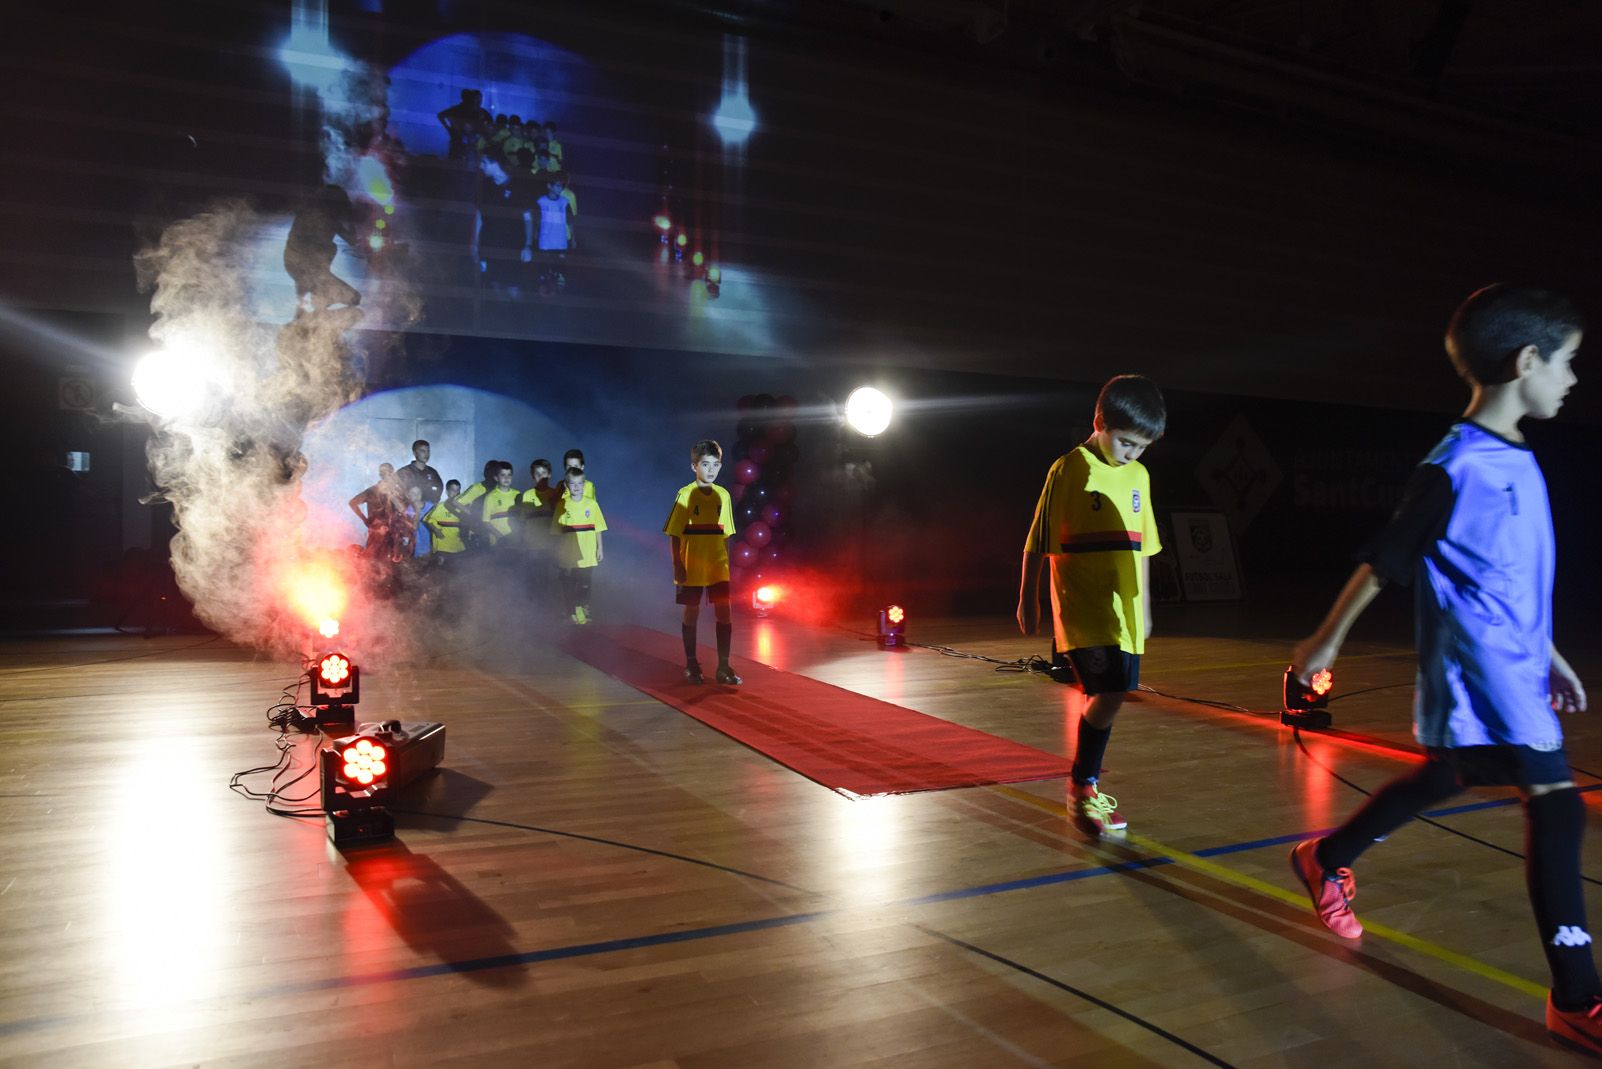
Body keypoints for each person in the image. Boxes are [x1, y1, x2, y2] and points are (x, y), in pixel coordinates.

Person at [1285, 284, 1598, 1053]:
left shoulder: (1515, 455)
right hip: (1479, 673)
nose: (1573, 379)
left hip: (1516, 667)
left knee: (1444, 776)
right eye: (1568, 362)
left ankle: (1325, 856)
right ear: (1527, 361)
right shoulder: (1456, 464)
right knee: (1559, 808)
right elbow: (1385, 559)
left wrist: (1550, 653)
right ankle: (1577, 998)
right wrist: (1325, 641)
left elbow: (1509, 576)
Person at [1016, 374, 1166, 838]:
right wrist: (1027, 598)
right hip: (1083, 610)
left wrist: (1145, 608)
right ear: (1099, 422)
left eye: (1142, 447)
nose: (1132, 454)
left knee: (1108, 695)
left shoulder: (1139, 476)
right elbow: (1038, 539)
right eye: (1125, 442)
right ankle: (1082, 786)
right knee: (1110, 693)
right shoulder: (1069, 469)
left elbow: (1143, 547)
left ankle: (1087, 787)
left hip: (1125, 617)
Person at [664, 440, 740, 685]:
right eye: (705, 464)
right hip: (692, 565)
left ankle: (724, 666)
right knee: (691, 611)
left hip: (718, 565)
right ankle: (691, 664)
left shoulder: (723, 495)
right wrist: (677, 565)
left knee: (724, 612)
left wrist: (727, 565)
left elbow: (726, 534)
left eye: (715, 465)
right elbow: (674, 533)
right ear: (694, 466)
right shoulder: (685, 495)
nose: (711, 470)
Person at [284, 184, 360, 313]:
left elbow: (352, 240)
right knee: (354, 299)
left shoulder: (306, 213)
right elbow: (352, 240)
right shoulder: (328, 220)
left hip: (299, 268)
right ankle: (318, 297)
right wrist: (351, 220)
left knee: (353, 298)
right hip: (311, 272)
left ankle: (314, 297)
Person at [552, 459, 606, 624]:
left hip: (587, 554)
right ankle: (571, 612)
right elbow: (556, 532)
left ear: (584, 484)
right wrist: (557, 552)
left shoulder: (592, 504)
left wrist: (600, 549)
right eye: (572, 483)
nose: (576, 487)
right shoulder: (562, 505)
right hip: (568, 554)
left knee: (585, 584)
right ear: (566, 485)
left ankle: (582, 608)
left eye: (579, 483)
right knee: (569, 583)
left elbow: (598, 528)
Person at [349, 463, 403, 560]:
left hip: (392, 532)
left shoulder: (396, 492)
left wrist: (393, 496)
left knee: (389, 561)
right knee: (373, 558)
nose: (387, 475)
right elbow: (353, 503)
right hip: (377, 532)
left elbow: (403, 510)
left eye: (389, 472)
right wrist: (365, 520)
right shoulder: (372, 491)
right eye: (384, 472)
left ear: (392, 474)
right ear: (380, 474)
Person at [478, 460, 521, 549]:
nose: (506, 478)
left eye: (509, 475)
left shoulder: (518, 495)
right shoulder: (490, 497)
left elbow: (521, 519)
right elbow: (485, 522)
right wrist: (501, 537)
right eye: (503, 475)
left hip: (515, 543)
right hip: (498, 543)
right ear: (496, 478)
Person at [423, 479, 467, 561]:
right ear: (447, 492)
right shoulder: (440, 507)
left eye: (457, 491)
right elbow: (426, 520)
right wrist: (436, 530)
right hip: (443, 547)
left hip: (457, 546)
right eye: (453, 490)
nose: (455, 493)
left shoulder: (461, 508)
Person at [395, 439, 444, 505]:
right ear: (415, 453)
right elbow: (395, 491)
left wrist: (431, 503)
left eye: (428, 451)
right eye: (423, 451)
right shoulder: (404, 472)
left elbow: (439, 488)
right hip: (409, 509)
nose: (426, 454)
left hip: (428, 509)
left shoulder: (433, 473)